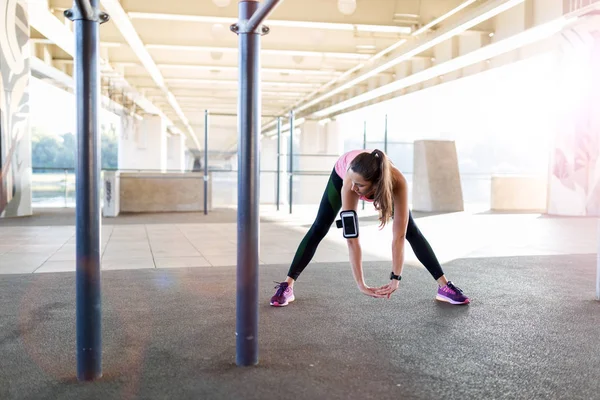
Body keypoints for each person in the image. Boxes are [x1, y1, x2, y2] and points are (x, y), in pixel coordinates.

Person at [270, 148, 470, 307]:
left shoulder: (398, 183)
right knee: (320, 227)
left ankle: (444, 287)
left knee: (411, 231)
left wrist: (395, 277)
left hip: (374, 178)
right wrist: (361, 284)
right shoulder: (349, 181)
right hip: (344, 169)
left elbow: (398, 236)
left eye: (360, 186)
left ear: (376, 185)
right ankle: (287, 286)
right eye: (354, 184)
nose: (353, 190)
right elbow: (352, 238)